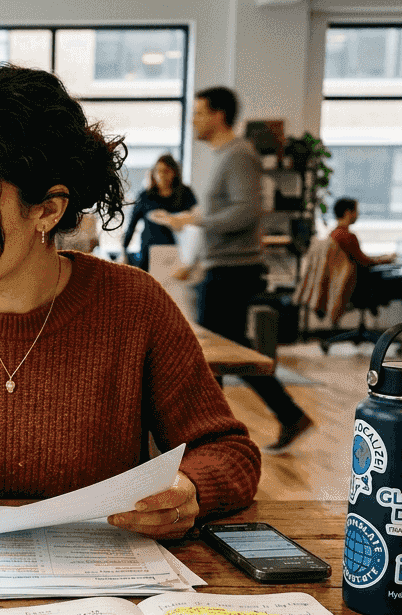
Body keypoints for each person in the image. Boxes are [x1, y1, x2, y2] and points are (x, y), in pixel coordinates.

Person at [0, 65, 260, 540]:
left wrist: (190, 489)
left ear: (47, 209)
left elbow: (230, 452)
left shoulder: (133, 305)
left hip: (100, 580)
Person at [162, 86, 313, 454]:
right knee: (226, 352)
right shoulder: (225, 156)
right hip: (221, 266)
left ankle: (216, 435)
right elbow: (222, 216)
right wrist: (194, 259)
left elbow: (246, 212)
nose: (193, 120)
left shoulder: (239, 155)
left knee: (217, 355)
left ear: (218, 115)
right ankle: (279, 418)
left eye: (199, 113)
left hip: (234, 270)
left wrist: (198, 220)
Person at [329, 197, 402, 323]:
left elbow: (360, 259)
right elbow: (365, 262)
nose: (358, 214)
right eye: (356, 211)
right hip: (364, 287)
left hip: (358, 284)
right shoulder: (347, 236)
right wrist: (387, 260)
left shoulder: (334, 234)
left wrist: (382, 258)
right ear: (348, 212)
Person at [121, 154, 196, 272]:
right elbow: (132, 225)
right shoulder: (146, 196)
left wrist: (170, 218)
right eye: (158, 171)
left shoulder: (185, 193)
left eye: (166, 171)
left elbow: (196, 219)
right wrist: (124, 251)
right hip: (149, 251)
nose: (162, 175)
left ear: (174, 172)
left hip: (177, 250)